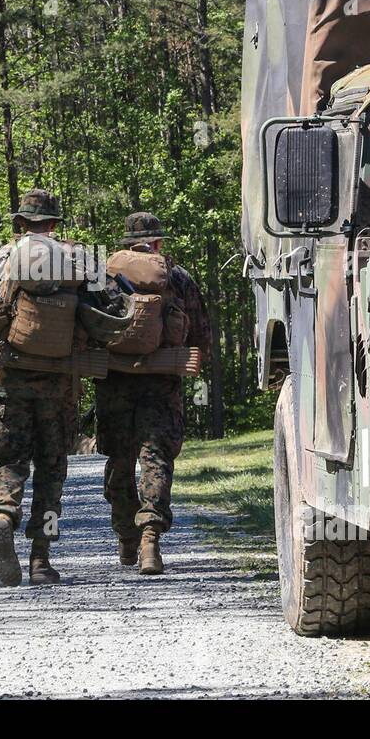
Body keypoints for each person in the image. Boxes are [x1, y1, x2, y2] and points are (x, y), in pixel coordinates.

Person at [0, 189, 84, 586]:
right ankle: (41, 558)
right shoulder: (76, 258)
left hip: (7, 383)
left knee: (10, 462)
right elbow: (110, 312)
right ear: (54, 224)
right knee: (52, 473)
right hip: (58, 386)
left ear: (20, 223)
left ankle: (3, 514)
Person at [95, 212, 210, 575]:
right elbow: (200, 335)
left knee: (119, 459)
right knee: (155, 459)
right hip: (161, 384)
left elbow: (85, 328)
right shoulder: (177, 278)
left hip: (115, 382)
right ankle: (150, 541)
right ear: (158, 243)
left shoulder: (105, 276)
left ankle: (126, 538)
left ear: (126, 243)